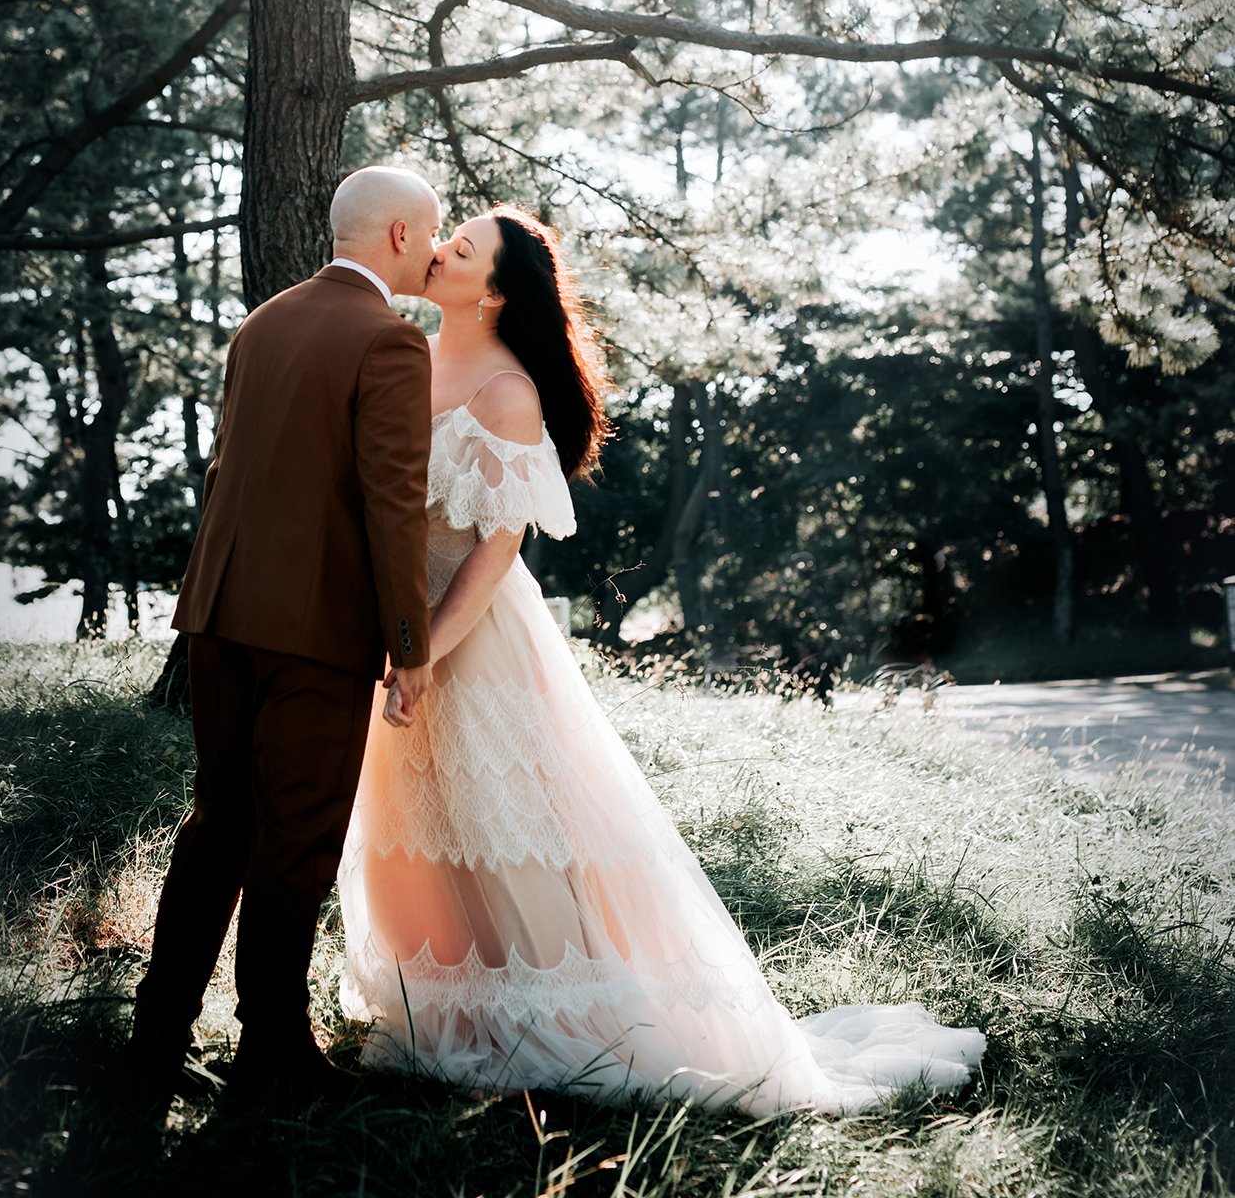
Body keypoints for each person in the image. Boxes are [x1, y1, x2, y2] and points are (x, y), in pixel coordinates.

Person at [337, 206, 987, 1115]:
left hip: (472, 637)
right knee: (418, 826)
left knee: (501, 825)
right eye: (444, 240)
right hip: (395, 635)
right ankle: (447, 1010)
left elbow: (495, 551)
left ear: (493, 289)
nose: (439, 250)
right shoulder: (403, 359)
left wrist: (424, 651)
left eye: (461, 247)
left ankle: (550, 1016)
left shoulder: (507, 390)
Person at [128, 164, 443, 1115]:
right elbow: (393, 508)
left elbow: (237, 469)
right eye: (430, 234)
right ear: (396, 238)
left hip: (220, 617)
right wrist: (409, 644)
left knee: (218, 823)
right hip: (313, 633)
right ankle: (270, 1049)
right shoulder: (388, 342)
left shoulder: (260, 321)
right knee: (295, 844)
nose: (434, 250)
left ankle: (156, 1031)